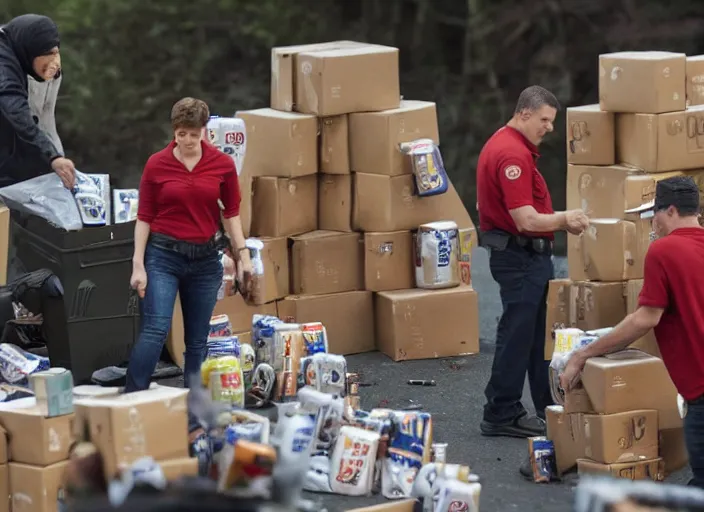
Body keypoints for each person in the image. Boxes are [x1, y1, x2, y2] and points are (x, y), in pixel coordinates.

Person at [560, 176, 704, 489]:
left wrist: (583, 354)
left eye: (655, 215)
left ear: (670, 211)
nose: (653, 223)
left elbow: (644, 319)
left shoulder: (663, 251)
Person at [476, 85, 589, 440]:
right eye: (545, 120)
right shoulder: (512, 155)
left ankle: (547, 406)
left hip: (521, 254)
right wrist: (565, 219)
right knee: (518, 335)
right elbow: (525, 219)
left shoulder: (506, 142)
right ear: (524, 113)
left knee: (535, 337)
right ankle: (501, 410)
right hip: (520, 254)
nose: (549, 128)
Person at [125, 97, 252, 396]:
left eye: (194, 134)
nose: (188, 141)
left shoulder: (221, 164)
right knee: (156, 330)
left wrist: (243, 255)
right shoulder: (157, 163)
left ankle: (193, 408)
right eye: (182, 134)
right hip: (163, 255)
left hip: (206, 259)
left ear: (205, 132)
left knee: (197, 339)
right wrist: (138, 264)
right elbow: (144, 216)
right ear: (174, 132)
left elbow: (231, 213)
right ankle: (132, 397)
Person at [0, 14, 75, 188]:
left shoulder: (17, 45)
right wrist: (52, 156)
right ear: (31, 49)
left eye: (56, 52)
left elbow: (45, 117)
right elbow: (15, 109)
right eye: (48, 53)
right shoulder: (4, 68)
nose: (55, 61)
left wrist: (57, 156)